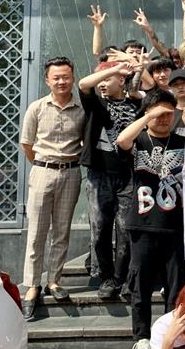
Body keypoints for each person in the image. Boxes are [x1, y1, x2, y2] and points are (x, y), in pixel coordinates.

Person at [117, 89, 185, 349]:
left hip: (176, 225)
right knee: (140, 285)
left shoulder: (184, 140)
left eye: (168, 112)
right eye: (158, 112)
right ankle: (142, 338)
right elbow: (122, 140)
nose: (163, 118)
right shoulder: (139, 141)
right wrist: (148, 116)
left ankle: (168, 338)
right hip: (143, 224)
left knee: (175, 286)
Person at [20, 57, 85, 319]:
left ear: (73, 78)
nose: (61, 81)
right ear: (47, 80)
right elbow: (27, 144)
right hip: (42, 171)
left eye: (66, 77)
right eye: (56, 77)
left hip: (71, 173)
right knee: (36, 231)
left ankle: (54, 280)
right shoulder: (36, 108)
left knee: (61, 230)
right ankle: (32, 285)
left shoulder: (81, 110)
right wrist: (43, 164)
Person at [79, 60, 143, 299]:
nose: (102, 84)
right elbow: (84, 84)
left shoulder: (135, 103)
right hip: (99, 175)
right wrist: (113, 69)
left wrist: (138, 70)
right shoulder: (96, 102)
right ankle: (106, 276)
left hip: (128, 175)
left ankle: (121, 277)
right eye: (101, 79)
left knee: (125, 230)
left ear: (122, 81)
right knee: (100, 229)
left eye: (108, 80)